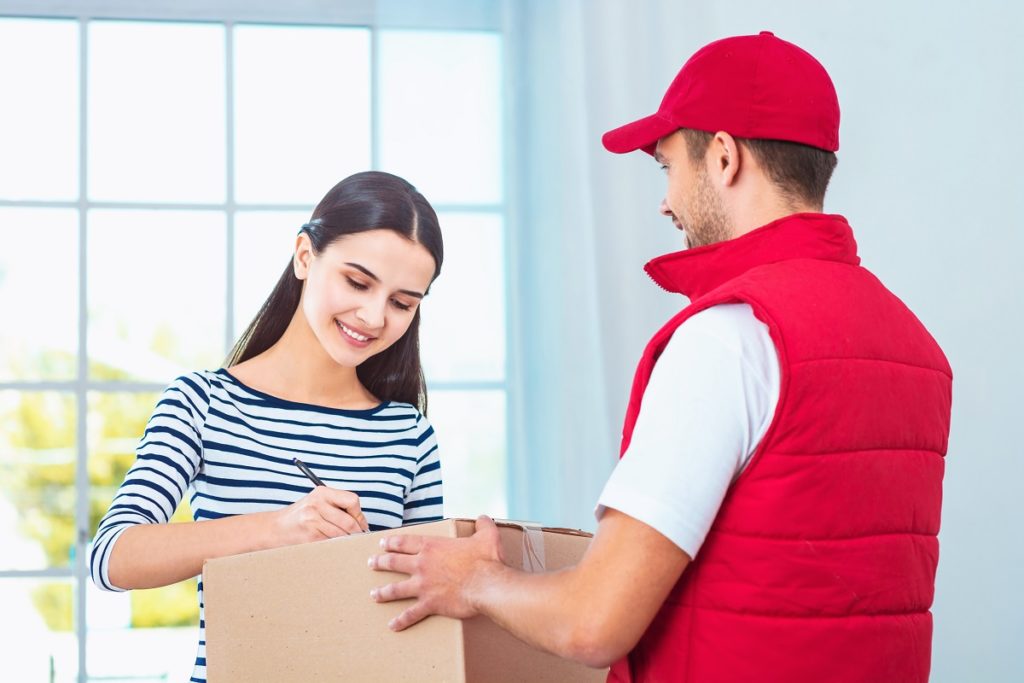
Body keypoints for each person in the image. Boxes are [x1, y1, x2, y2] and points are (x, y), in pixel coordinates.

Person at [369, 31, 952, 683]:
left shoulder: (730, 336)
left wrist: (477, 581)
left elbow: (593, 620)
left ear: (724, 157)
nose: (665, 199)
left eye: (667, 165)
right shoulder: (914, 345)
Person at [89, 171, 445, 683]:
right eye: (358, 282)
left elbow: (422, 617)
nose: (372, 315)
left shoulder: (408, 435)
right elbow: (112, 557)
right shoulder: (204, 402)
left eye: (402, 303)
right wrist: (276, 529)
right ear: (305, 255)